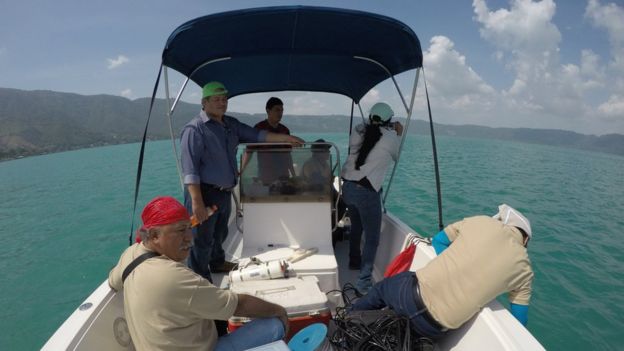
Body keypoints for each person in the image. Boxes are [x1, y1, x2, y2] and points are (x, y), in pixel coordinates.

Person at [109, 196, 289, 351]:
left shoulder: (130, 255)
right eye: (180, 230)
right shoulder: (174, 277)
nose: (190, 237)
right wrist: (280, 311)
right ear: (154, 235)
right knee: (273, 325)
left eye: (189, 227)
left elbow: (113, 282)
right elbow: (238, 305)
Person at [350, 204, 534, 339]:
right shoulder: (525, 269)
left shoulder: (481, 222)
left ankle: (349, 318)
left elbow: (439, 241)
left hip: (408, 295)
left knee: (382, 289)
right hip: (433, 329)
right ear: (525, 241)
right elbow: (519, 321)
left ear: (503, 222)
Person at [180, 82, 303, 281]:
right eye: (217, 99)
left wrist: (285, 138)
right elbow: (190, 170)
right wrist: (196, 202)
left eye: (224, 99)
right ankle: (200, 280)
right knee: (202, 239)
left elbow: (258, 135)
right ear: (204, 103)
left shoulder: (231, 125)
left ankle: (217, 262)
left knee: (220, 233)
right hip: (203, 192)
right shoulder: (195, 129)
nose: (222, 103)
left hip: (224, 191)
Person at [340, 102, 403, 292]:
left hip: (348, 188)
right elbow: (395, 155)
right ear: (388, 120)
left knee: (357, 225)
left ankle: (353, 260)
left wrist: (387, 126)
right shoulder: (391, 138)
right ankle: (363, 283)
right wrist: (398, 132)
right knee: (372, 239)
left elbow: (372, 131)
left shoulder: (358, 130)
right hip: (367, 193)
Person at [244, 97, 296, 185]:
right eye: (277, 110)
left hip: (284, 176)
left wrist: (294, 175)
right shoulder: (259, 128)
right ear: (268, 111)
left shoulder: (285, 130)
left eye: (282, 110)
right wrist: (241, 170)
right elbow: (249, 151)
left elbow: (288, 155)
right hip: (266, 177)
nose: (280, 113)